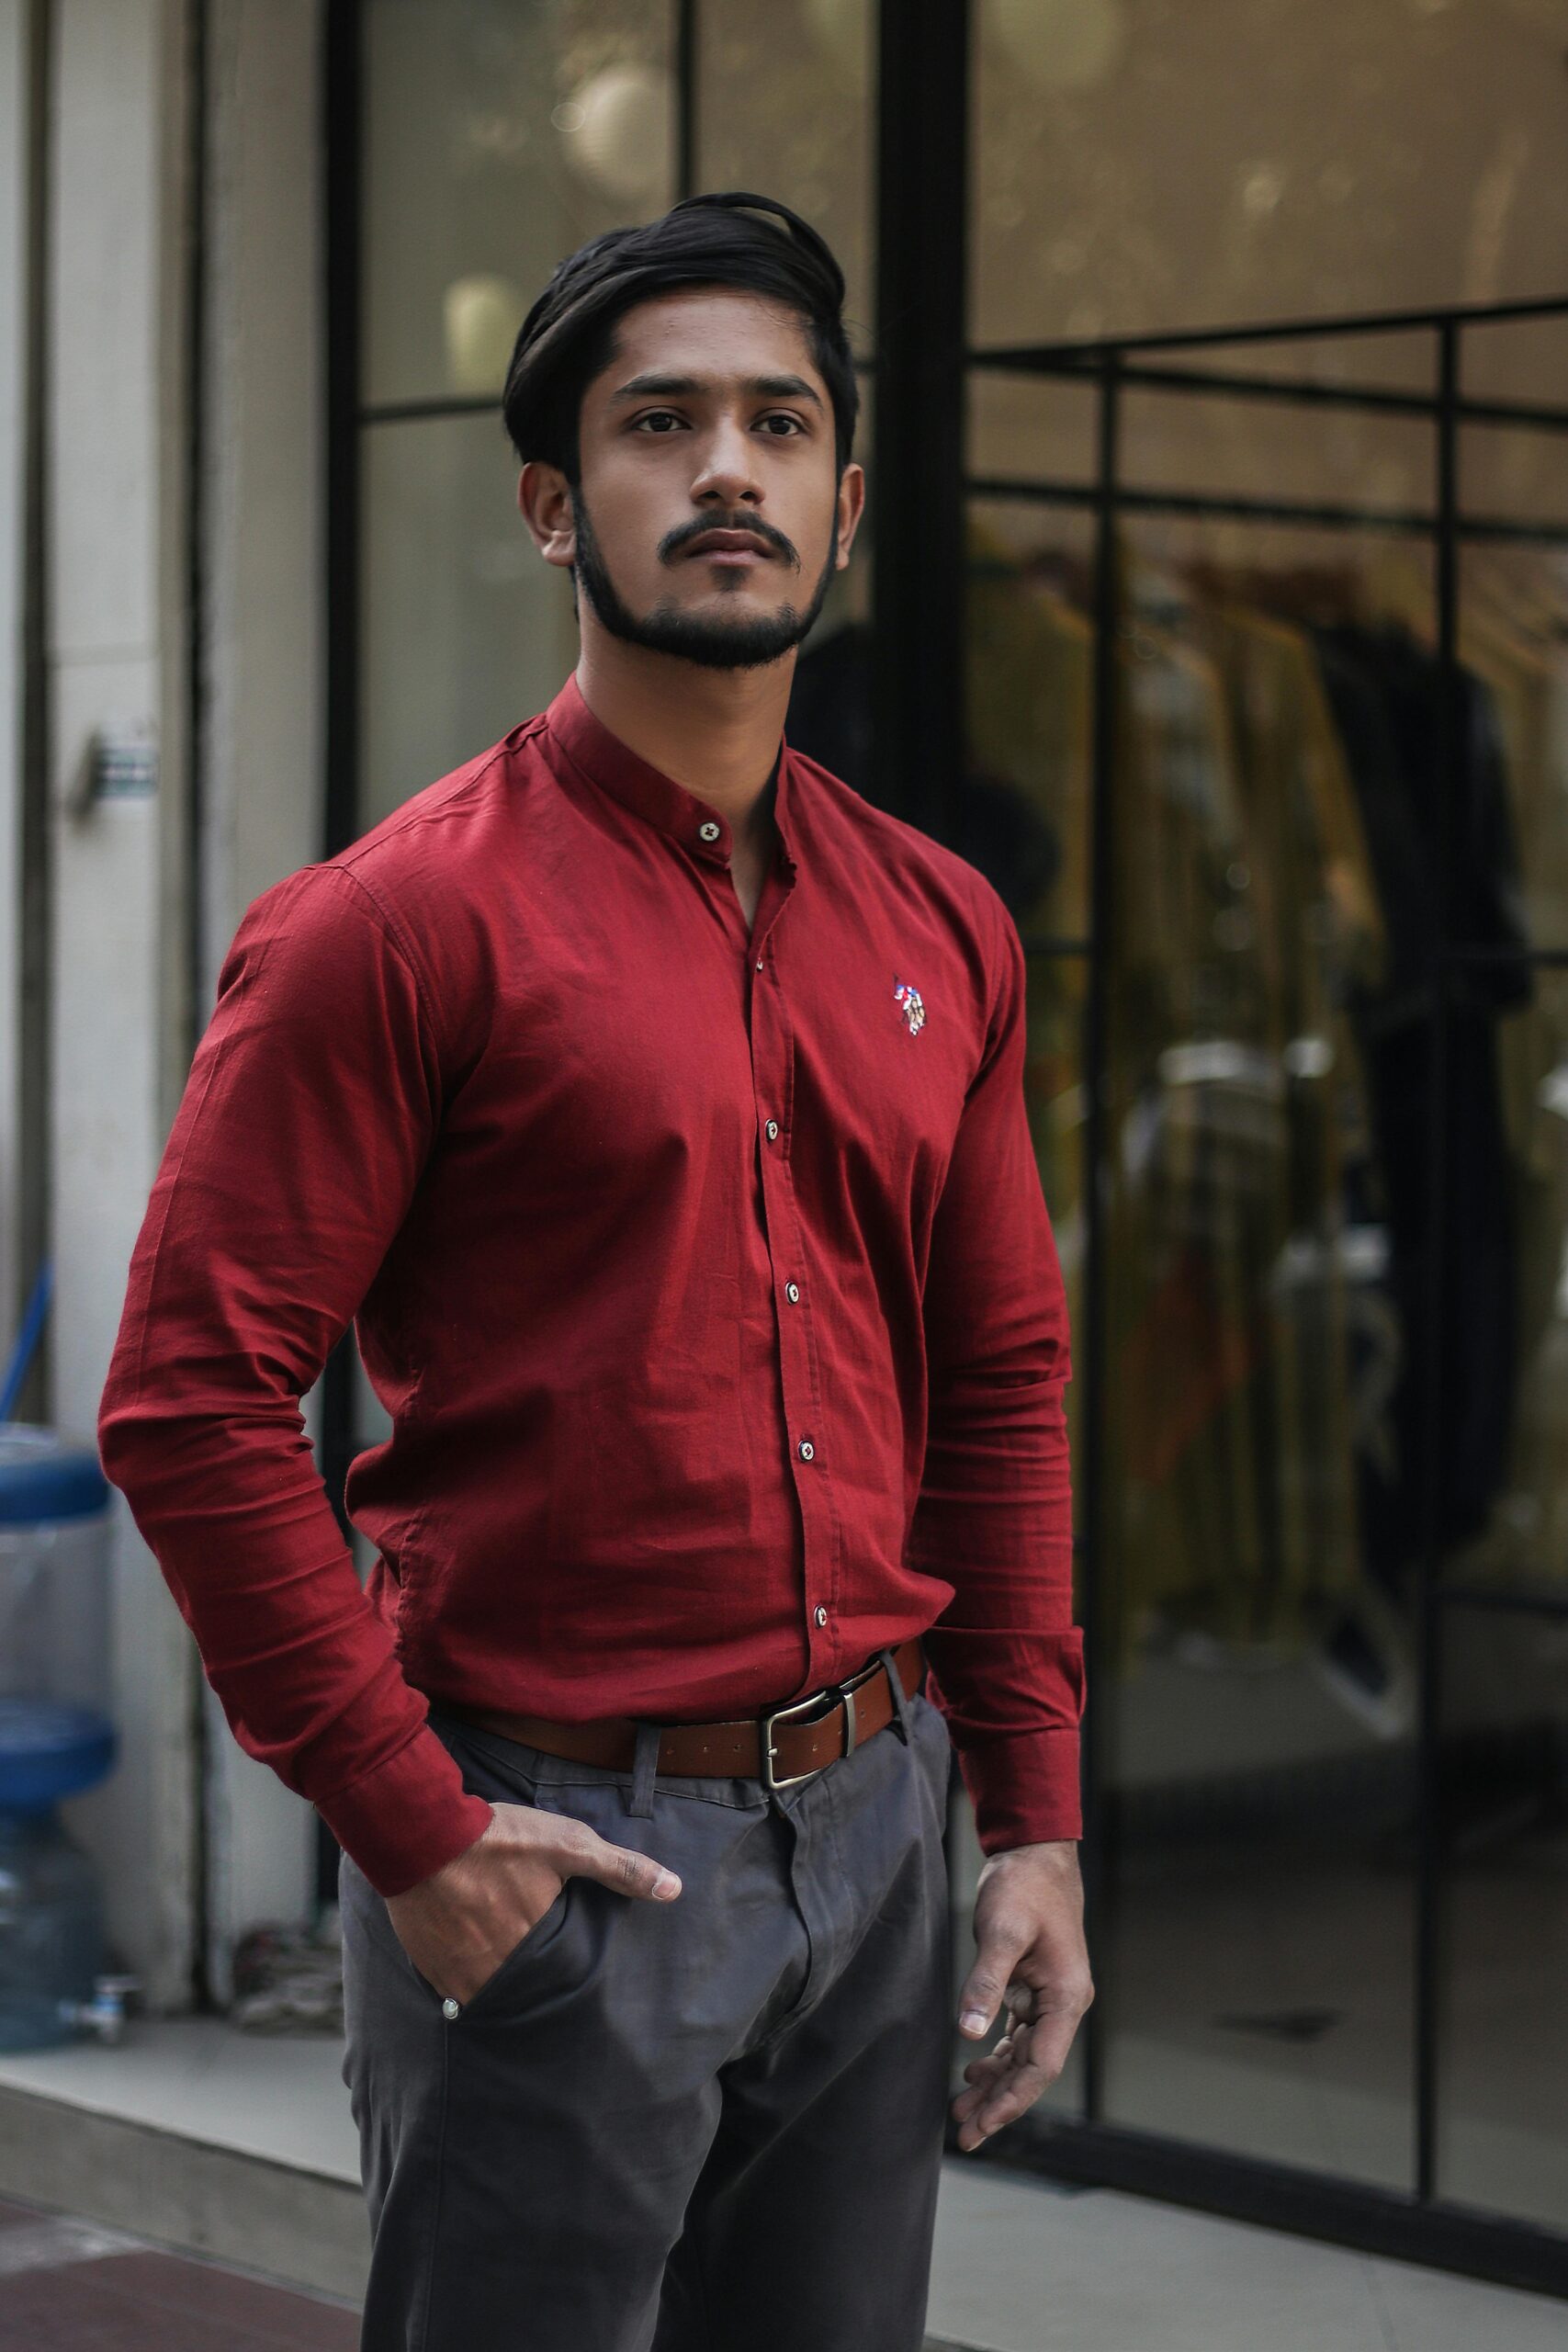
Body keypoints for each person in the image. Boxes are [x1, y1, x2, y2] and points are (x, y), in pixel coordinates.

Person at [96, 189, 1091, 2352]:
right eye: (659, 424)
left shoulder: (942, 927)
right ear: (555, 504)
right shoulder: (390, 924)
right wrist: (417, 1833)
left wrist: (1029, 1813)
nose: (724, 467)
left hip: (880, 1829)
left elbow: (1003, 1374)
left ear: (842, 500)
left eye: (776, 422)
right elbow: (187, 1394)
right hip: (556, 1850)